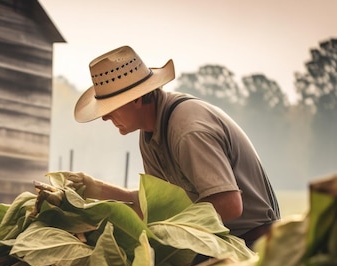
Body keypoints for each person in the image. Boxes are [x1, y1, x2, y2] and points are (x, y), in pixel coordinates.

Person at [66, 45, 280, 247]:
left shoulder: (188, 131)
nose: (105, 117)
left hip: (254, 243)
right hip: (217, 242)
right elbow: (157, 206)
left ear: (136, 99)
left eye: (110, 107)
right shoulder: (151, 134)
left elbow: (230, 205)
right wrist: (96, 191)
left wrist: (164, 227)